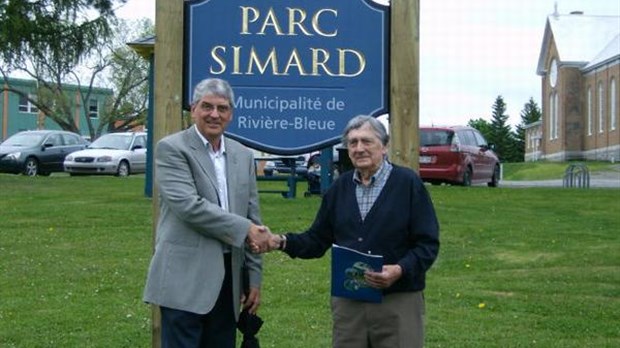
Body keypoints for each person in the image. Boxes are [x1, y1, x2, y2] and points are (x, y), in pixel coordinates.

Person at [266, 115, 440, 348]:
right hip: (350, 303)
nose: (359, 148)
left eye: (367, 141)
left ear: (384, 146)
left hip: (398, 301)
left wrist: (400, 270)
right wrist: (280, 241)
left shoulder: (407, 184)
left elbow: (427, 244)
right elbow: (317, 239)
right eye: (353, 142)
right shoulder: (340, 187)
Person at [143, 77, 271, 348]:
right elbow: (189, 207)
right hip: (184, 279)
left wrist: (254, 278)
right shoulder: (171, 149)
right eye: (207, 106)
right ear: (193, 109)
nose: (215, 114)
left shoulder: (243, 155)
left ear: (231, 114)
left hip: (229, 279)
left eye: (222, 108)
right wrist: (245, 229)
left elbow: (253, 217)